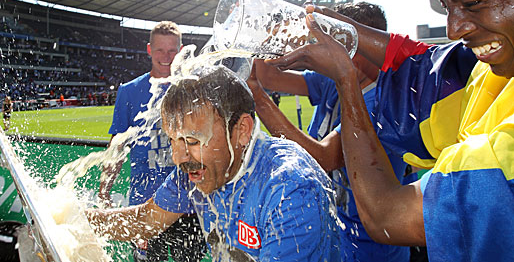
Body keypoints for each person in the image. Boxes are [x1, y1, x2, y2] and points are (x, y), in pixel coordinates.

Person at [266, 0, 514, 261]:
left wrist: (346, 79)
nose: (452, 30)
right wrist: (345, 32)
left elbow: (386, 216)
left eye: (472, 3)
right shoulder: (492, 73)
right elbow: (430, 69)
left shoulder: (503, 153)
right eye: (446, 7)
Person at [88, 65, 344, 261]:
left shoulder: (290, 189)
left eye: (193, 140)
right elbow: (146, 220)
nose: (178, 158)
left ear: (242, 130)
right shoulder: (196, 168)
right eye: (173, 140)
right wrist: (74, 219)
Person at [247, 2, 412, 262]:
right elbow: (270, 78)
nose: (326, 49)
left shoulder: (381, 101)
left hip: (372, 246)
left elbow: (323, 159)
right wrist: (271, 35)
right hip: (335, 231)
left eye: (334, 41)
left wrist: (257, 98)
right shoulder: (334, 79)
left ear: (362, 44)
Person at [98, 21, 206, 262]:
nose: (166, 57)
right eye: (159, 50)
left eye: (172, 50)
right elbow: (116, 148)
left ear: (181, 51)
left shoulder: (194, 89)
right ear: (149, 50)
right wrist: (104, 191)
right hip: (143, 209)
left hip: (187, 208)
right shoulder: (129, 91)